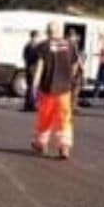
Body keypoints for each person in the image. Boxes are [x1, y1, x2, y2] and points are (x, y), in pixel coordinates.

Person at [31, 20, 78, 159]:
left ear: (47, 32)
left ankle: (41, 143)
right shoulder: (70, 45)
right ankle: (64, 147)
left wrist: (34, 86)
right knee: (64, 118)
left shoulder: (43, 46)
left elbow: (39, 67)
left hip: (47, 89)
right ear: (60, 31)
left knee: (45, 117)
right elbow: (75, 65)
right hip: (65, 90)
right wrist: (69, 77)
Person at [21, 30, 41, 112]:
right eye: (37, 36)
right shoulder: (32, 46)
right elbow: (32, 57)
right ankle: (31, 105)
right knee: (33, 86)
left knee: (30, 87)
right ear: (34, 36)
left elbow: (24, 56)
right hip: (32, 68)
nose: (38, 38)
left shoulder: (28, 45)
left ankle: (28, 104)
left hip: (29, 67)